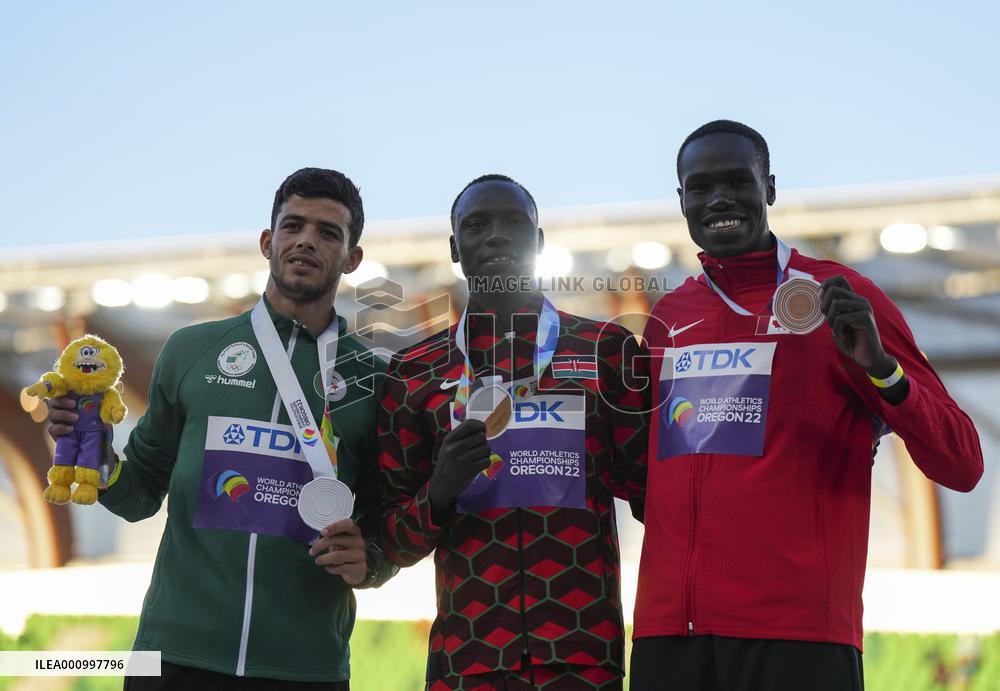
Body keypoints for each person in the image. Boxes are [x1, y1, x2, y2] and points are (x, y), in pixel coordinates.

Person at [630, 120, 984, 690]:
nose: (718, 198)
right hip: (669, 638)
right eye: (699, 187)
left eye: (735, 181)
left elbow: (963, 462)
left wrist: (883, 373)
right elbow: (652, 479)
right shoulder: (668, 319)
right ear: (681, 200)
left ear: (768, 187)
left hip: (797, 639)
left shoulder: (840, 297)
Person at [46, 168, 397, 690]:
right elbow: (139, 493)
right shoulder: (191, 350)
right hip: (175, 657)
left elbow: (389, 519)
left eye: (328, 232)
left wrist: (373, 560)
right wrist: (94, 454)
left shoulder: (376, 379)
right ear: (267, 241)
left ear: (352, 259)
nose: (305, 240)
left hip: (304, 667)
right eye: (292, 225)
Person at [377, 175, 649, 690]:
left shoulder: (606, 351)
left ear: (539, 242)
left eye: (513, 223)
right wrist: (438, 491)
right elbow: (393, 541)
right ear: (455, 248)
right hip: (467, 662)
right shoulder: (413, 372)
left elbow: (657, 499)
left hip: (584, 661)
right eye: (477, 225)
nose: (496, 236)